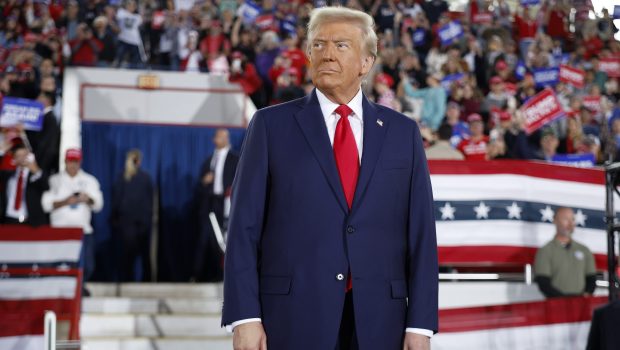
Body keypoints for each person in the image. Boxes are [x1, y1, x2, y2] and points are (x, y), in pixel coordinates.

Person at [222, 7, 438, 350]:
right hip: (292, 317)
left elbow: (421, 233)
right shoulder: (269, 126)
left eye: (340, 45)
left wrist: (421, 324)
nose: (326, 54)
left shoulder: (403, 133)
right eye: (318, 45)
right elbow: (243, 228)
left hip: (382, 321)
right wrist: (245, 317)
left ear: (366, 63)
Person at [41, 148, 103, 294]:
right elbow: (46, 205)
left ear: (80, 162)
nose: (73, 165)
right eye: (70, 161)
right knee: (60, 263)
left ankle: (79, 287)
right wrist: (66, 201)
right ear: (65, 161)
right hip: (60, 230)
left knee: (87, 265)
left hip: (82, 230)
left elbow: (99, 204)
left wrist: (88, 199)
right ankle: (61, 290)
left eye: (75, 161)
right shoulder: (55, 180)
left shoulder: (89, 180)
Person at [193, 129, 238, 282]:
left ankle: (223, 275)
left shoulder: (235, 159)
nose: (220, 139)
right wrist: (204, 182)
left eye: (223, 136)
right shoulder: (208, 161)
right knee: (206, 239)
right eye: (218, 136)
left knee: (224, 240)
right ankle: (199, 275)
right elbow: (199, 185)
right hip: (210, 203)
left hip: (226, 204)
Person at [110, 149, 153, 282]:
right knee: (138, 254)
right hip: (136, 222)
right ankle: (143, 280)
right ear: (138, 161)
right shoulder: (140, 177)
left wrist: (115, 217)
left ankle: (129, 280)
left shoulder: (126, 177)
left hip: (132, 222)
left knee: (130, 254)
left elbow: (117, 201)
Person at [534, 207, 596, 298]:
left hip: (580, 304)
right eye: (565, 219)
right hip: (556, 304)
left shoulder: (584, 250)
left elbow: (591, 278)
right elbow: (543, 282)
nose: (570, 224)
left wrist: (585, 296)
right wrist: (563, 301)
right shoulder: (545, 251)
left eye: (572, 219)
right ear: (555, 221)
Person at [0, 142, 48, 226]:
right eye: (18, 156)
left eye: (25, 155)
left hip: (30, 223)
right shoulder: (7, 175)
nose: (22, 158)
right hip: (9, 221)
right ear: (14, 159)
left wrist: (35, 169)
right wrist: (1, 152)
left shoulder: (35, 175)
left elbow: (46, 186)